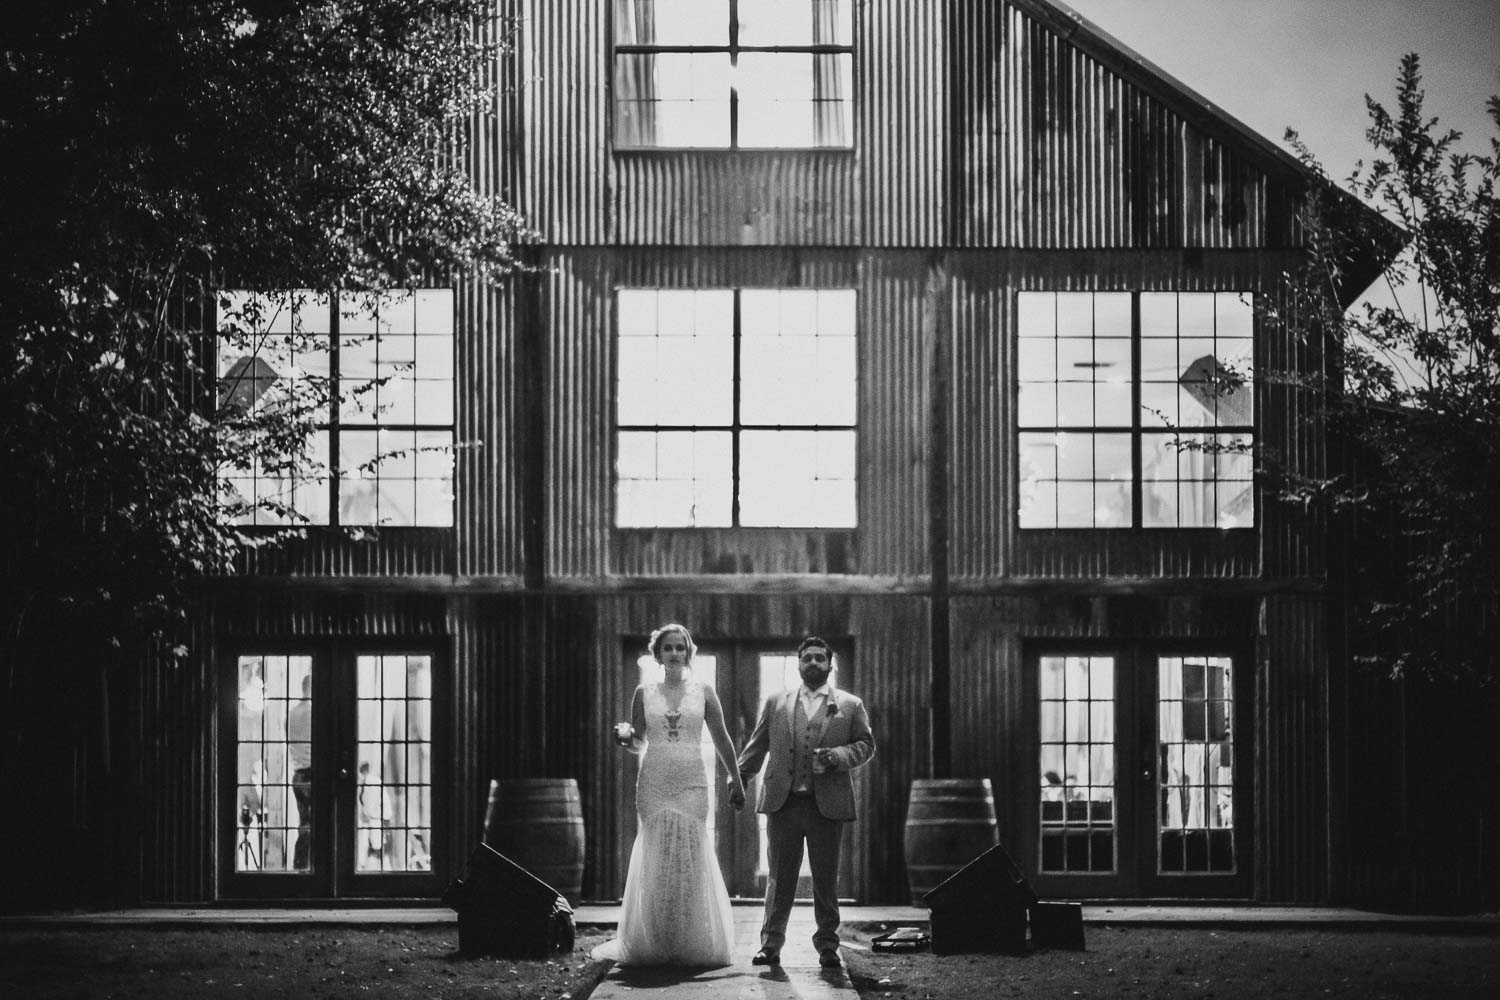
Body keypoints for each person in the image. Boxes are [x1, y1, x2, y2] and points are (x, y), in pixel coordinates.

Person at [593, 623, 746, 966]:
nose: (675, 653)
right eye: (668, 648)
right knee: (659, 859)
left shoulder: (704, 691)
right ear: (658, 654)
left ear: (689, 652)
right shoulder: (642, 693)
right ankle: (657, 939)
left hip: (692, 781)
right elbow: (637, 744)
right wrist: (625, 737)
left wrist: (736, 778)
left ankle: (690, 938)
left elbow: (721, 738)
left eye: (680, 647)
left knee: (690, 860)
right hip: (655, 782)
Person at [736, 635, 874, 970]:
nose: (813, 663)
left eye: (819, 658)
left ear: (830, 665)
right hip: (784, 804)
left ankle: (828, 946)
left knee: (826, 879)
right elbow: (757, 747)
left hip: (827, 806)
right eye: (807, 658)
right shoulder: (776, 702)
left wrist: (838, 756)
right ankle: (770, 945)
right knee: (779, 878)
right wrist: (738, 779)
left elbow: (866, 745)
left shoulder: (850, 704)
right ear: (798, 663)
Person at [288, 674, 313, 870]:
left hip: (297, 774)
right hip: (312, 773)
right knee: (317, 823)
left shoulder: (290, 713)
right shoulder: (314, 711)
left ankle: (301, 866)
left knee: (304, 822)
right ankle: (311, 866)